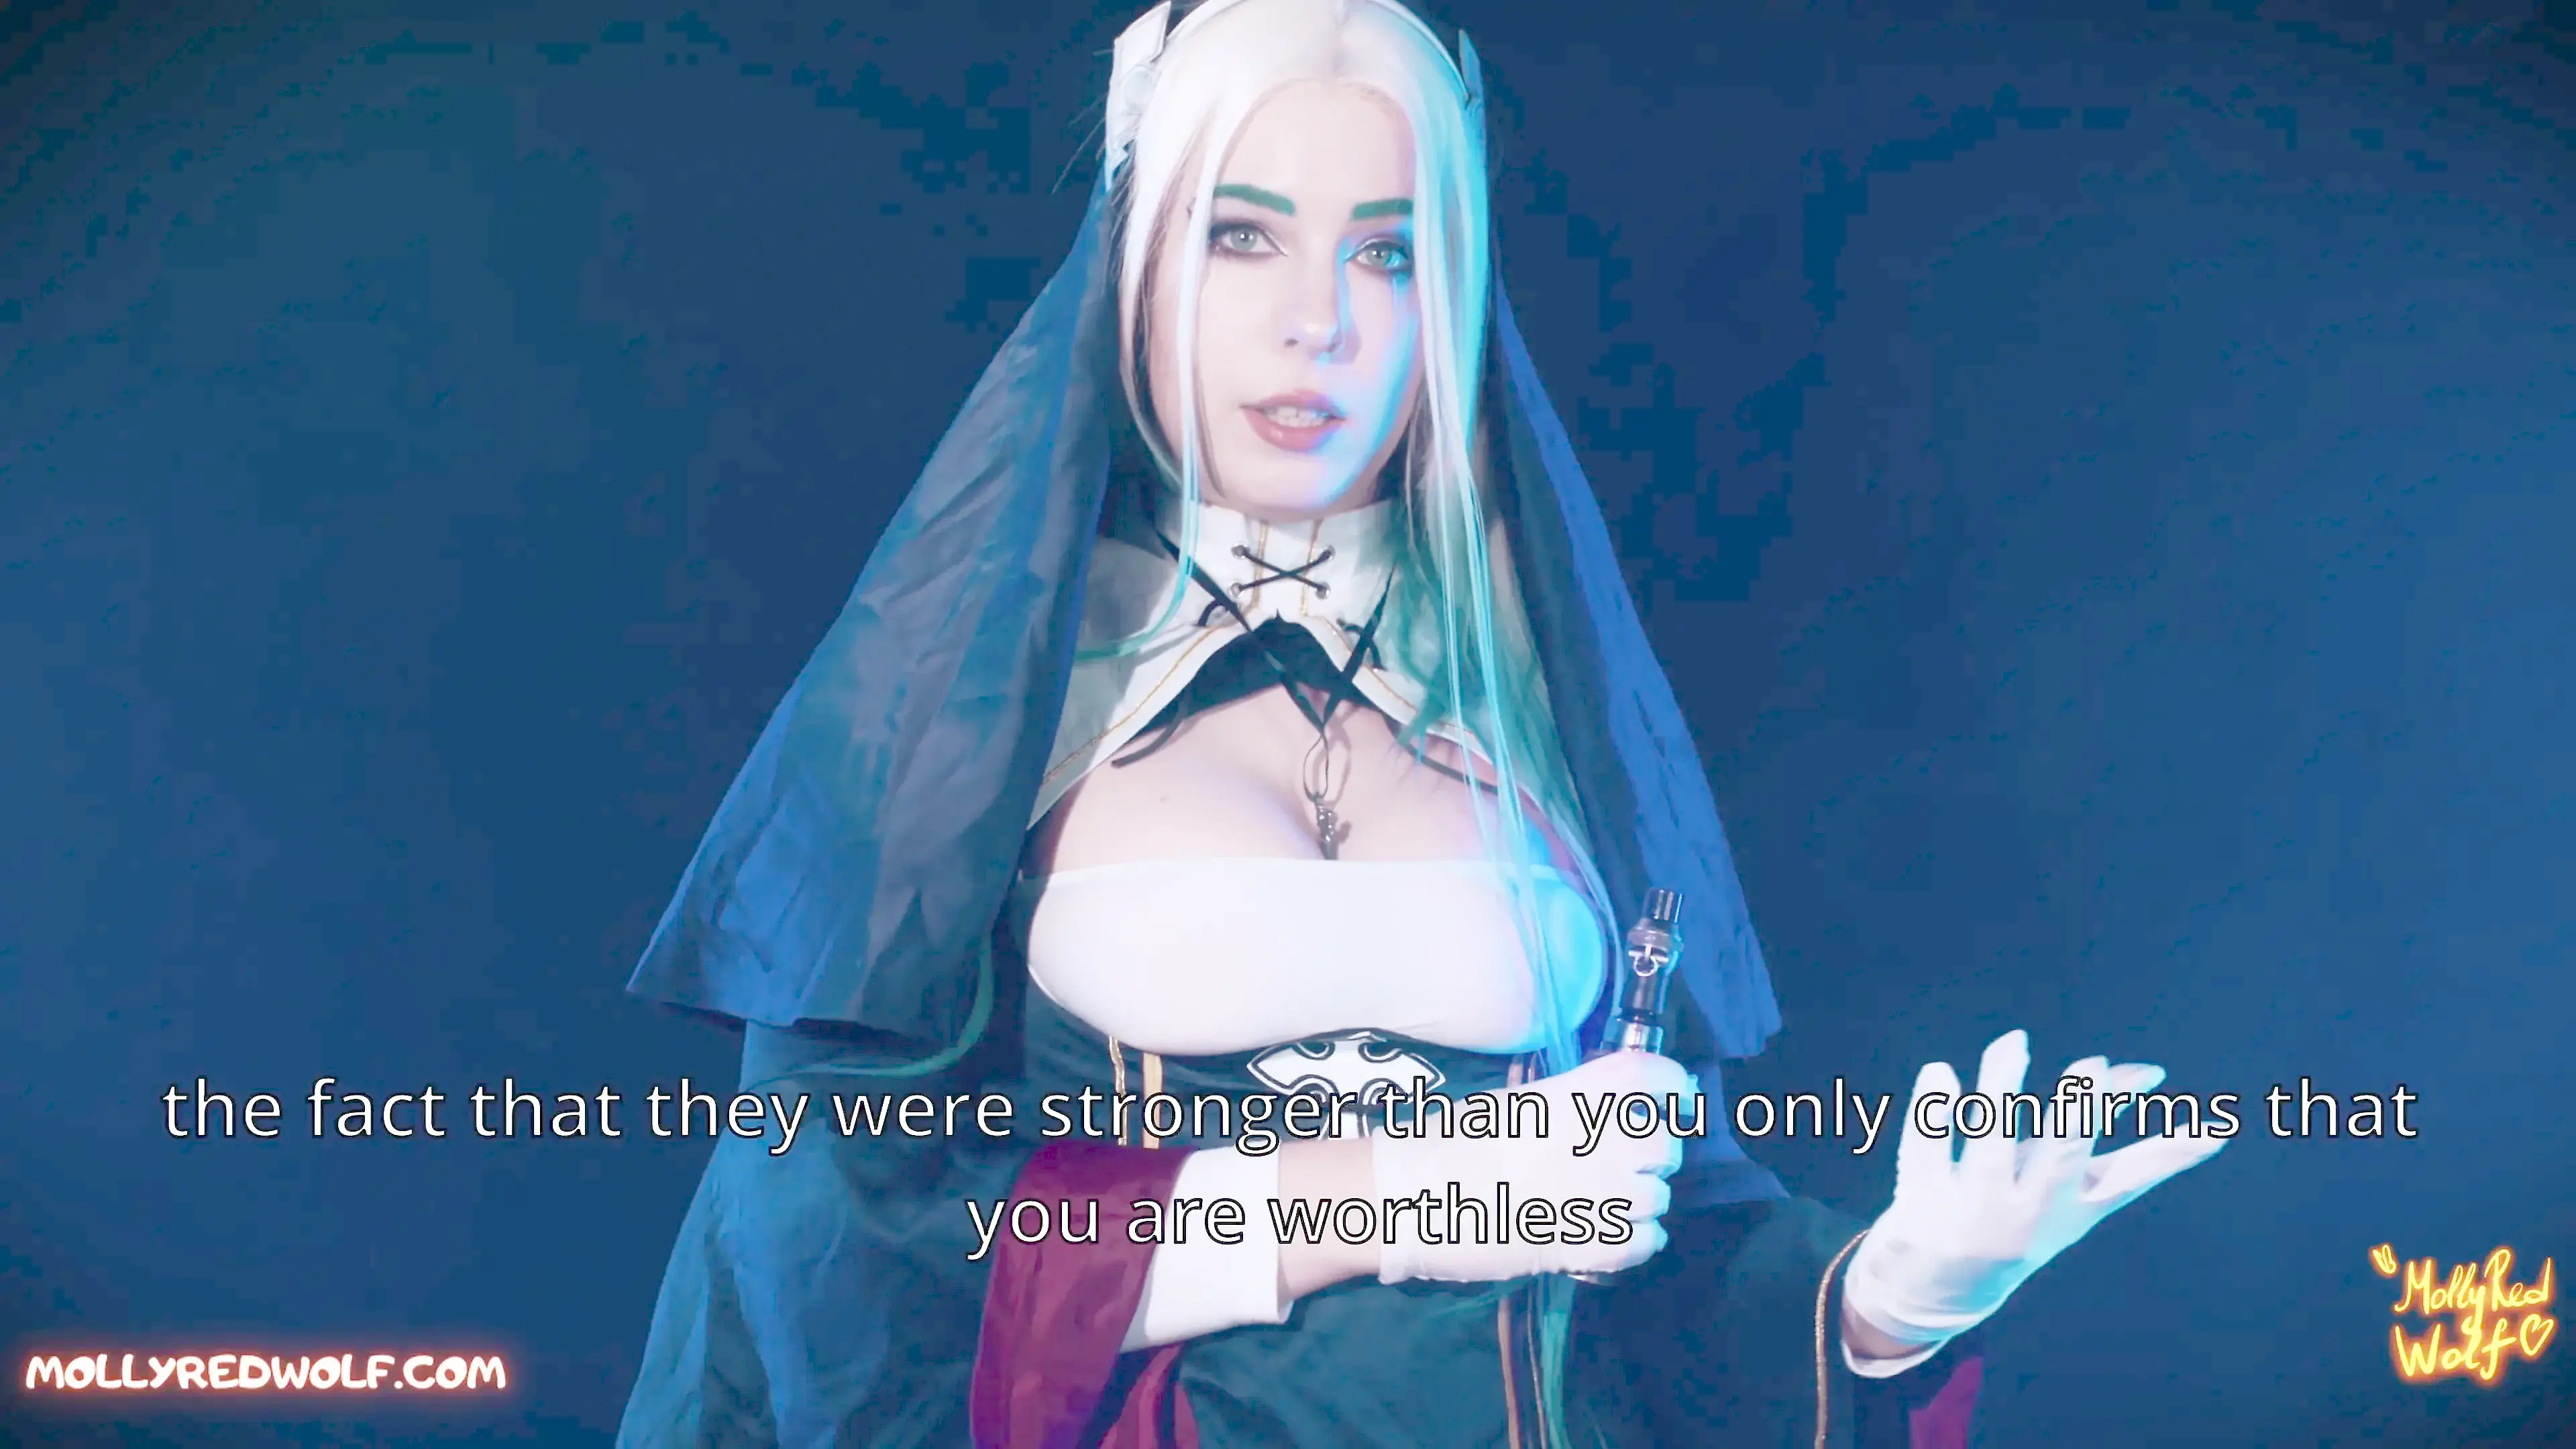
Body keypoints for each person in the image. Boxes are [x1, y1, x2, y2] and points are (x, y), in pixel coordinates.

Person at [615, 2, 2228, 1445]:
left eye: (1387, 255)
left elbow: (1665, 1266)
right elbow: (830, 1247)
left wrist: (1893, 1295)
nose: (1318, 319)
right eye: (1243, 237)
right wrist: (1400, 1194)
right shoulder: (966, 725)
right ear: (1136, 258)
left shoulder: (1547, 724)